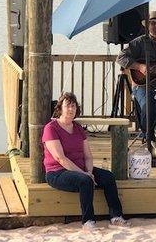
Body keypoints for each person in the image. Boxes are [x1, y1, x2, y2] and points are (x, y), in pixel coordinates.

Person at [42, 92, 129, 232]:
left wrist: (89, 171)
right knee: (85, 181)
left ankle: (116, 217)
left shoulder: (78, 128)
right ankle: (88, 221)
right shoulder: (51, 128)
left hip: (80, 169)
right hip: (57, 172)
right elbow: (60, 158)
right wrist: (85, 174)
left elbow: (88, 156)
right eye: (67, 106)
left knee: (108, 176)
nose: (71, 109)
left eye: (73, 106)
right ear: (60, 109)